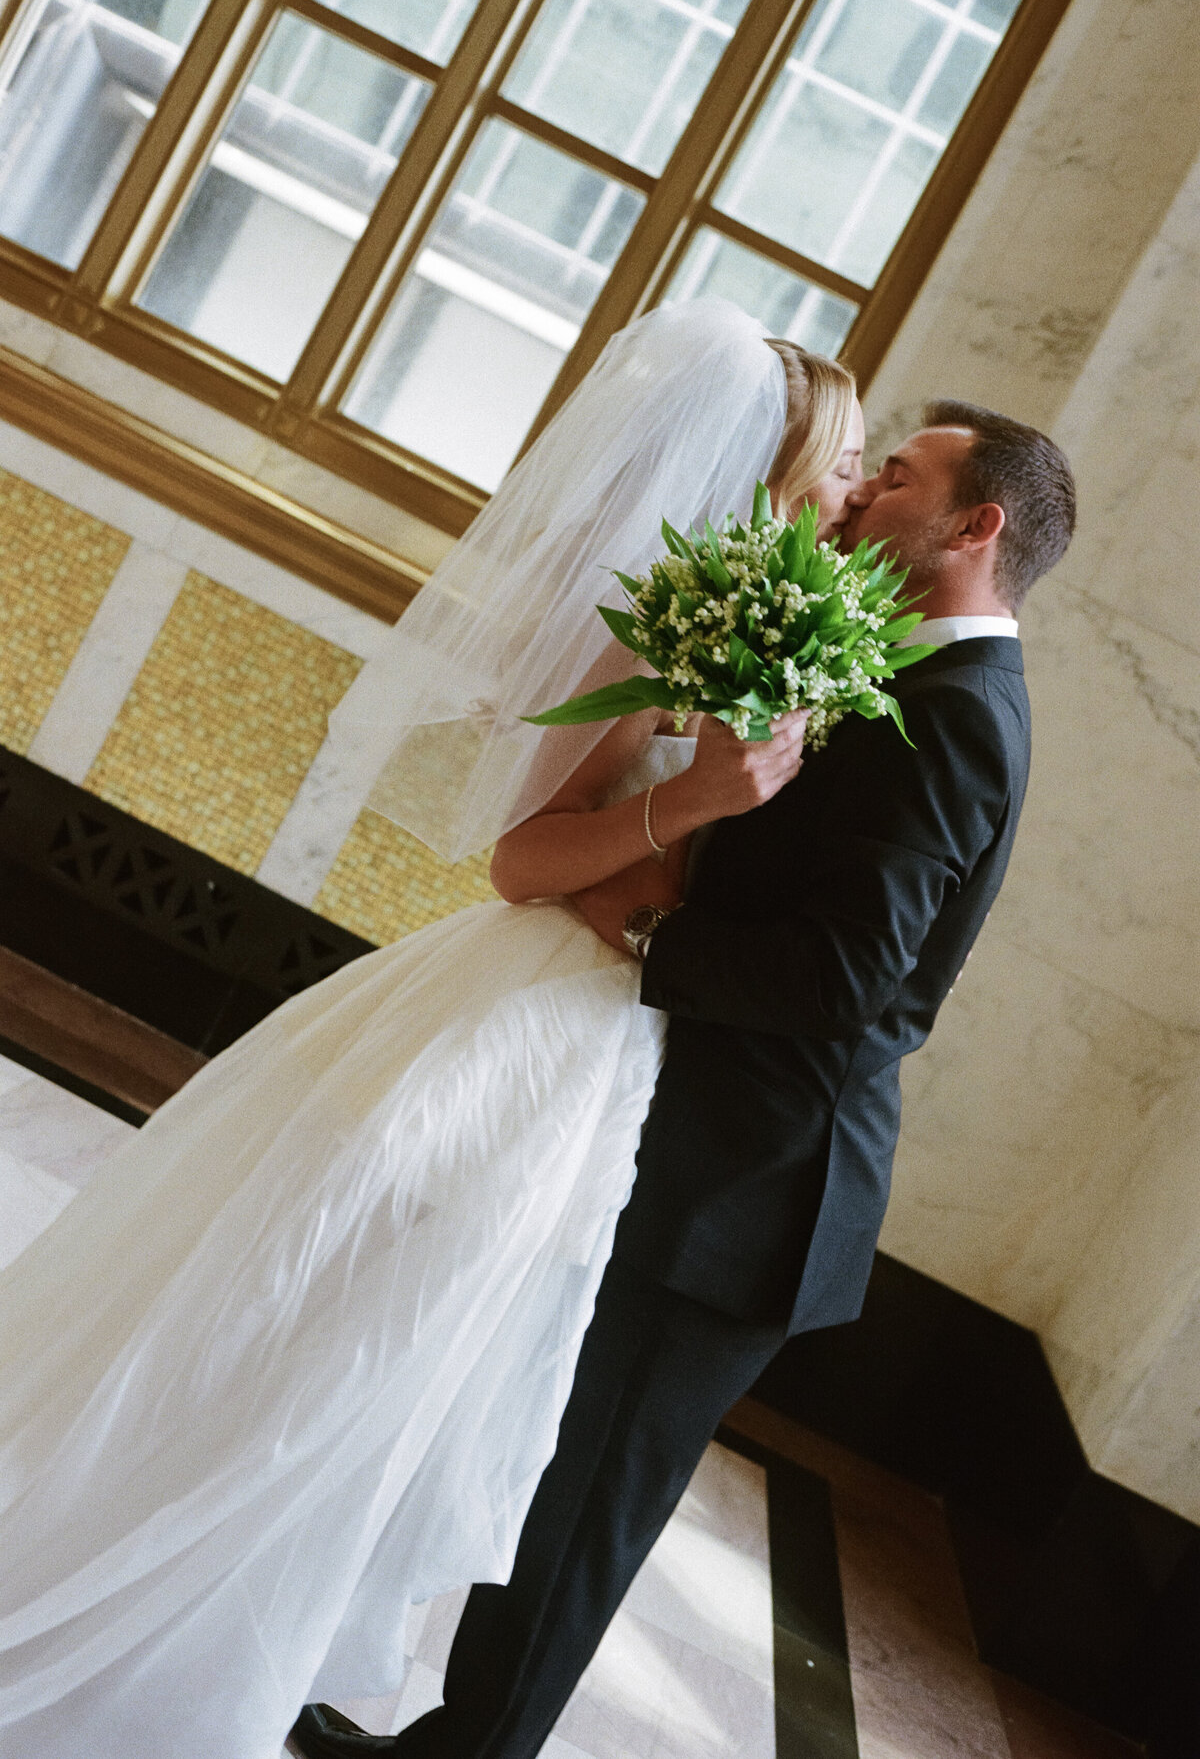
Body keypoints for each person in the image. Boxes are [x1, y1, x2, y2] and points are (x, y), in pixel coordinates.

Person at [0, 302, 863, 1759]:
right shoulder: (670, 617)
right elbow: (528, 854)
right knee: (338, 1343)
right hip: (525, 1023)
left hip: (593, 1041)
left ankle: (239, 1635)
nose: (850, 490)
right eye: (842, 460)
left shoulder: (757, 626)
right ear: (768, 466)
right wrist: (702, 808)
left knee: (397, 1363)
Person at [292, 400, 1076, 1759]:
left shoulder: (957, 714)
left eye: (902, 474)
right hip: (714, 1149)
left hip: (753, 1191)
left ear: (976, 523)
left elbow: (852, 983)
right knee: (562, 1466)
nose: (872, 488)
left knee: (591, 1497)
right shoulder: (914, 677)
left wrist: (647, 928)